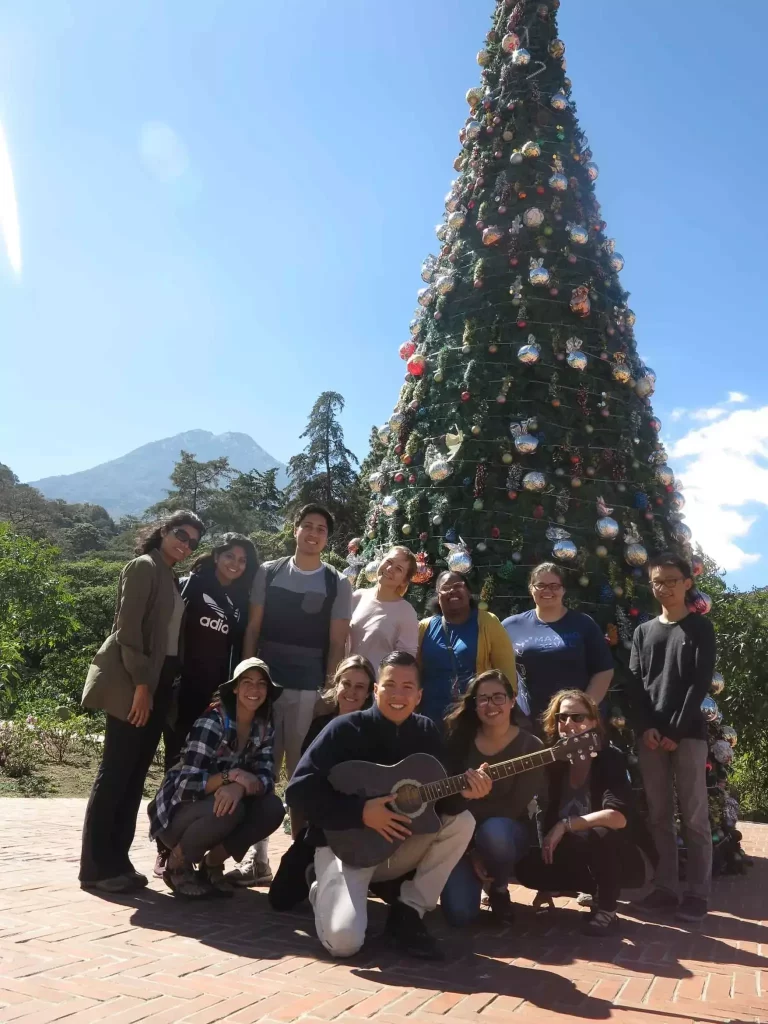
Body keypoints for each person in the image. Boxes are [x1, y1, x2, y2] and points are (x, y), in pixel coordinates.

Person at [285, 651, 492, 960]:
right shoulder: (343, 730)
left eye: (408, 687)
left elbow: (444, 801)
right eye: (390, 684)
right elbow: (298, 792)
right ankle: (322, 888)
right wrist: (360, 812)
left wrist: (468, 792)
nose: (398, 694)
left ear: (419, 695)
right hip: (346, 848)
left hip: (397, 850)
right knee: (345, 944)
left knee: (462, 821)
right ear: (375, 690)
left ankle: (409, 912)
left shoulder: (427, 732)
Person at [226, 504, 352, 886]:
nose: (313, 534)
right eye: (307, 526)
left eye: (321, 529)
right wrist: (247, 679)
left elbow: (336, 643)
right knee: (257, 768)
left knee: (301, 776)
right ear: (294, 530)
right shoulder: (269, 572)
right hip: (263, 689)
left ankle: (302, 864)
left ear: (327, 538)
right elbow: (253, 629)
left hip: (307, 689)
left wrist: (328, 691)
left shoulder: (336, 583)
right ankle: (258, 859)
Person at [79, 510, 204, 893]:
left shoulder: (168, 575)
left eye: (193, 542)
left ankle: (118, 860)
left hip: (158, 682)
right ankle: (96, 867)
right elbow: (127, 632)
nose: (185, 544)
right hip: (136, 681)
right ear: (163, 530)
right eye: (180, 534)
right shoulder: (143, 566)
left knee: (134, 777)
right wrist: (141, 686)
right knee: (116, 772)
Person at [515, 689, 657, 935]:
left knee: (602, 832)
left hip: (627, 859)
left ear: (593, 722)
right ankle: (575, 888)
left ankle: (608, 910)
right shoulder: (554, 761)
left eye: (577, 718)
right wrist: (545, 882)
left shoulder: (609, 758)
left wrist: (564, 825)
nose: (568, 723)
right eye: (562, 718)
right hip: (578, 852)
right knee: (526, 866)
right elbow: (540, 811)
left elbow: (617, 817)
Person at [626, 552, 716, 924]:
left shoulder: (699, 629)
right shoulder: (643, 632)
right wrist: (646, 727)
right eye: (657, 582)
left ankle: (697, 893)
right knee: (659, 816)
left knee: (694, 816)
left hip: (688, 736)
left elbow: (698, 686)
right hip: (650, 739)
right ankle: (665, 888)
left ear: (687, 583)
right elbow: (634, 685)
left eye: (671, 581)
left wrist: (675, 732)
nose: (664, 588)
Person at [148, 658, 285, 899]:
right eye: (247, 682)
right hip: (177, 816)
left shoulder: (264, 726)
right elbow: (186, 784)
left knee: (272, 808)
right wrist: (230, 777)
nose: (255, 690)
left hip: (221, 807)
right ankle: (177, 864)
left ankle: (211, 865)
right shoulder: (213, 721)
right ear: (235, 688)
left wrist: (239, 788)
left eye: (261, 684)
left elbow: (266, 778)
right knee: (232, 808)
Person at [267, 654, 376, 911]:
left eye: (360, 686)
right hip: (323, 826)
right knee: (280, 898)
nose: (351, 692)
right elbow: (300, 786)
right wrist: (298, 837)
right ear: (336, 685)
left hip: (364, 827)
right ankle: (316, 874)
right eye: (346, 684)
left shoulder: (376, 730)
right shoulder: (320, 727)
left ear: (370, 691)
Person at [440, 670, 544, 925]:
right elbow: (443, 802)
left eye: (498, 697)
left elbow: (512, 808)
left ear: (512, 700)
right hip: (461, 838)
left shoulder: (530, 747)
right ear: (474, 705)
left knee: (495, 832)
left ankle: (499, 887)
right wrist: (470, 851)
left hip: (506, 835)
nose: (491, 705)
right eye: (483, 699)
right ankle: (475, 878)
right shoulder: (458, 741)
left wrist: (481, 846)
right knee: (460, 915)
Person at [164, 533, 260, 772]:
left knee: (208, 760)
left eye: (242, 560)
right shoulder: (193, 585)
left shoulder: (242, 600)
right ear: (216, 556)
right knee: (177, 758)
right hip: (183, 688)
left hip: (217, 693)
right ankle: (167, 807)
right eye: (230, 556)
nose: (235, 564)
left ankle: (195, 809)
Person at [502, 563, 614, 726]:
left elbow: (603, 671)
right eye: (540, 585)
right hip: (528, 723)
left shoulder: (583, 624)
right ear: (531, 588)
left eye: (554, 586)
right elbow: (501, 672)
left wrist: (583, 712)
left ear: (563, 589)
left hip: (575, 723)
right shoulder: (510, 626)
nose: (547, 591)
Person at [418, 571, 517, 725]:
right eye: (445, 588)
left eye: (458, 585)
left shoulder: (488, 622)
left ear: (469, 593)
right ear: (438, 595)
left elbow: (506, 671)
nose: (452, 591)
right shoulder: (424, 627)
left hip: (476, 716)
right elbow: (415, 671)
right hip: (431, 716)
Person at [349, 546, 419, 674]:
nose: (389, 569)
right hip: (347, 682)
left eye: (398, 569)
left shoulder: (406, 612)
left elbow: (405, 662)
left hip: (375, 688)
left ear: (404, 581)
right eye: (389, 561)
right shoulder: (358, 597)